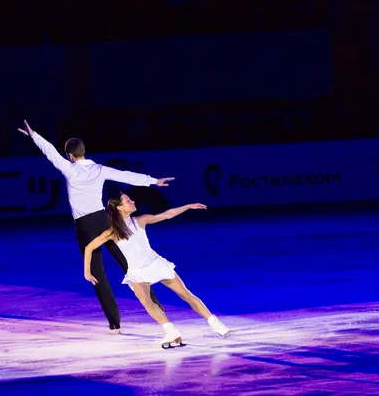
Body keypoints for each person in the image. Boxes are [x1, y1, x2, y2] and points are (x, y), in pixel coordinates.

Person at [18, 121, 174, 333]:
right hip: (104, 220)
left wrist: (34, 135)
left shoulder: (68, 168)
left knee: (96, 273)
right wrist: (154, 181)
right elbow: (125, 175)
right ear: (83, 152)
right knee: (129, 262)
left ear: (70, 156)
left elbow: (50, 152)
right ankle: (158, 307)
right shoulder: (99, 169)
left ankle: (115, 324)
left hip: (84, 226)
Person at [83, 193, 230, 348]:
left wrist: (187, 206)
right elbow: (89, 247)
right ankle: (170, 330)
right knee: (146, 300)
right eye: (128, 200)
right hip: (137, 271)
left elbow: (167, 215)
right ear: (119, 207)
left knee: (185, 294)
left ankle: (215, 323)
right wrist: (87, 271)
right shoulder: (112, 232)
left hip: (155, 264)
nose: (132, 201)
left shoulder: (140, 220)